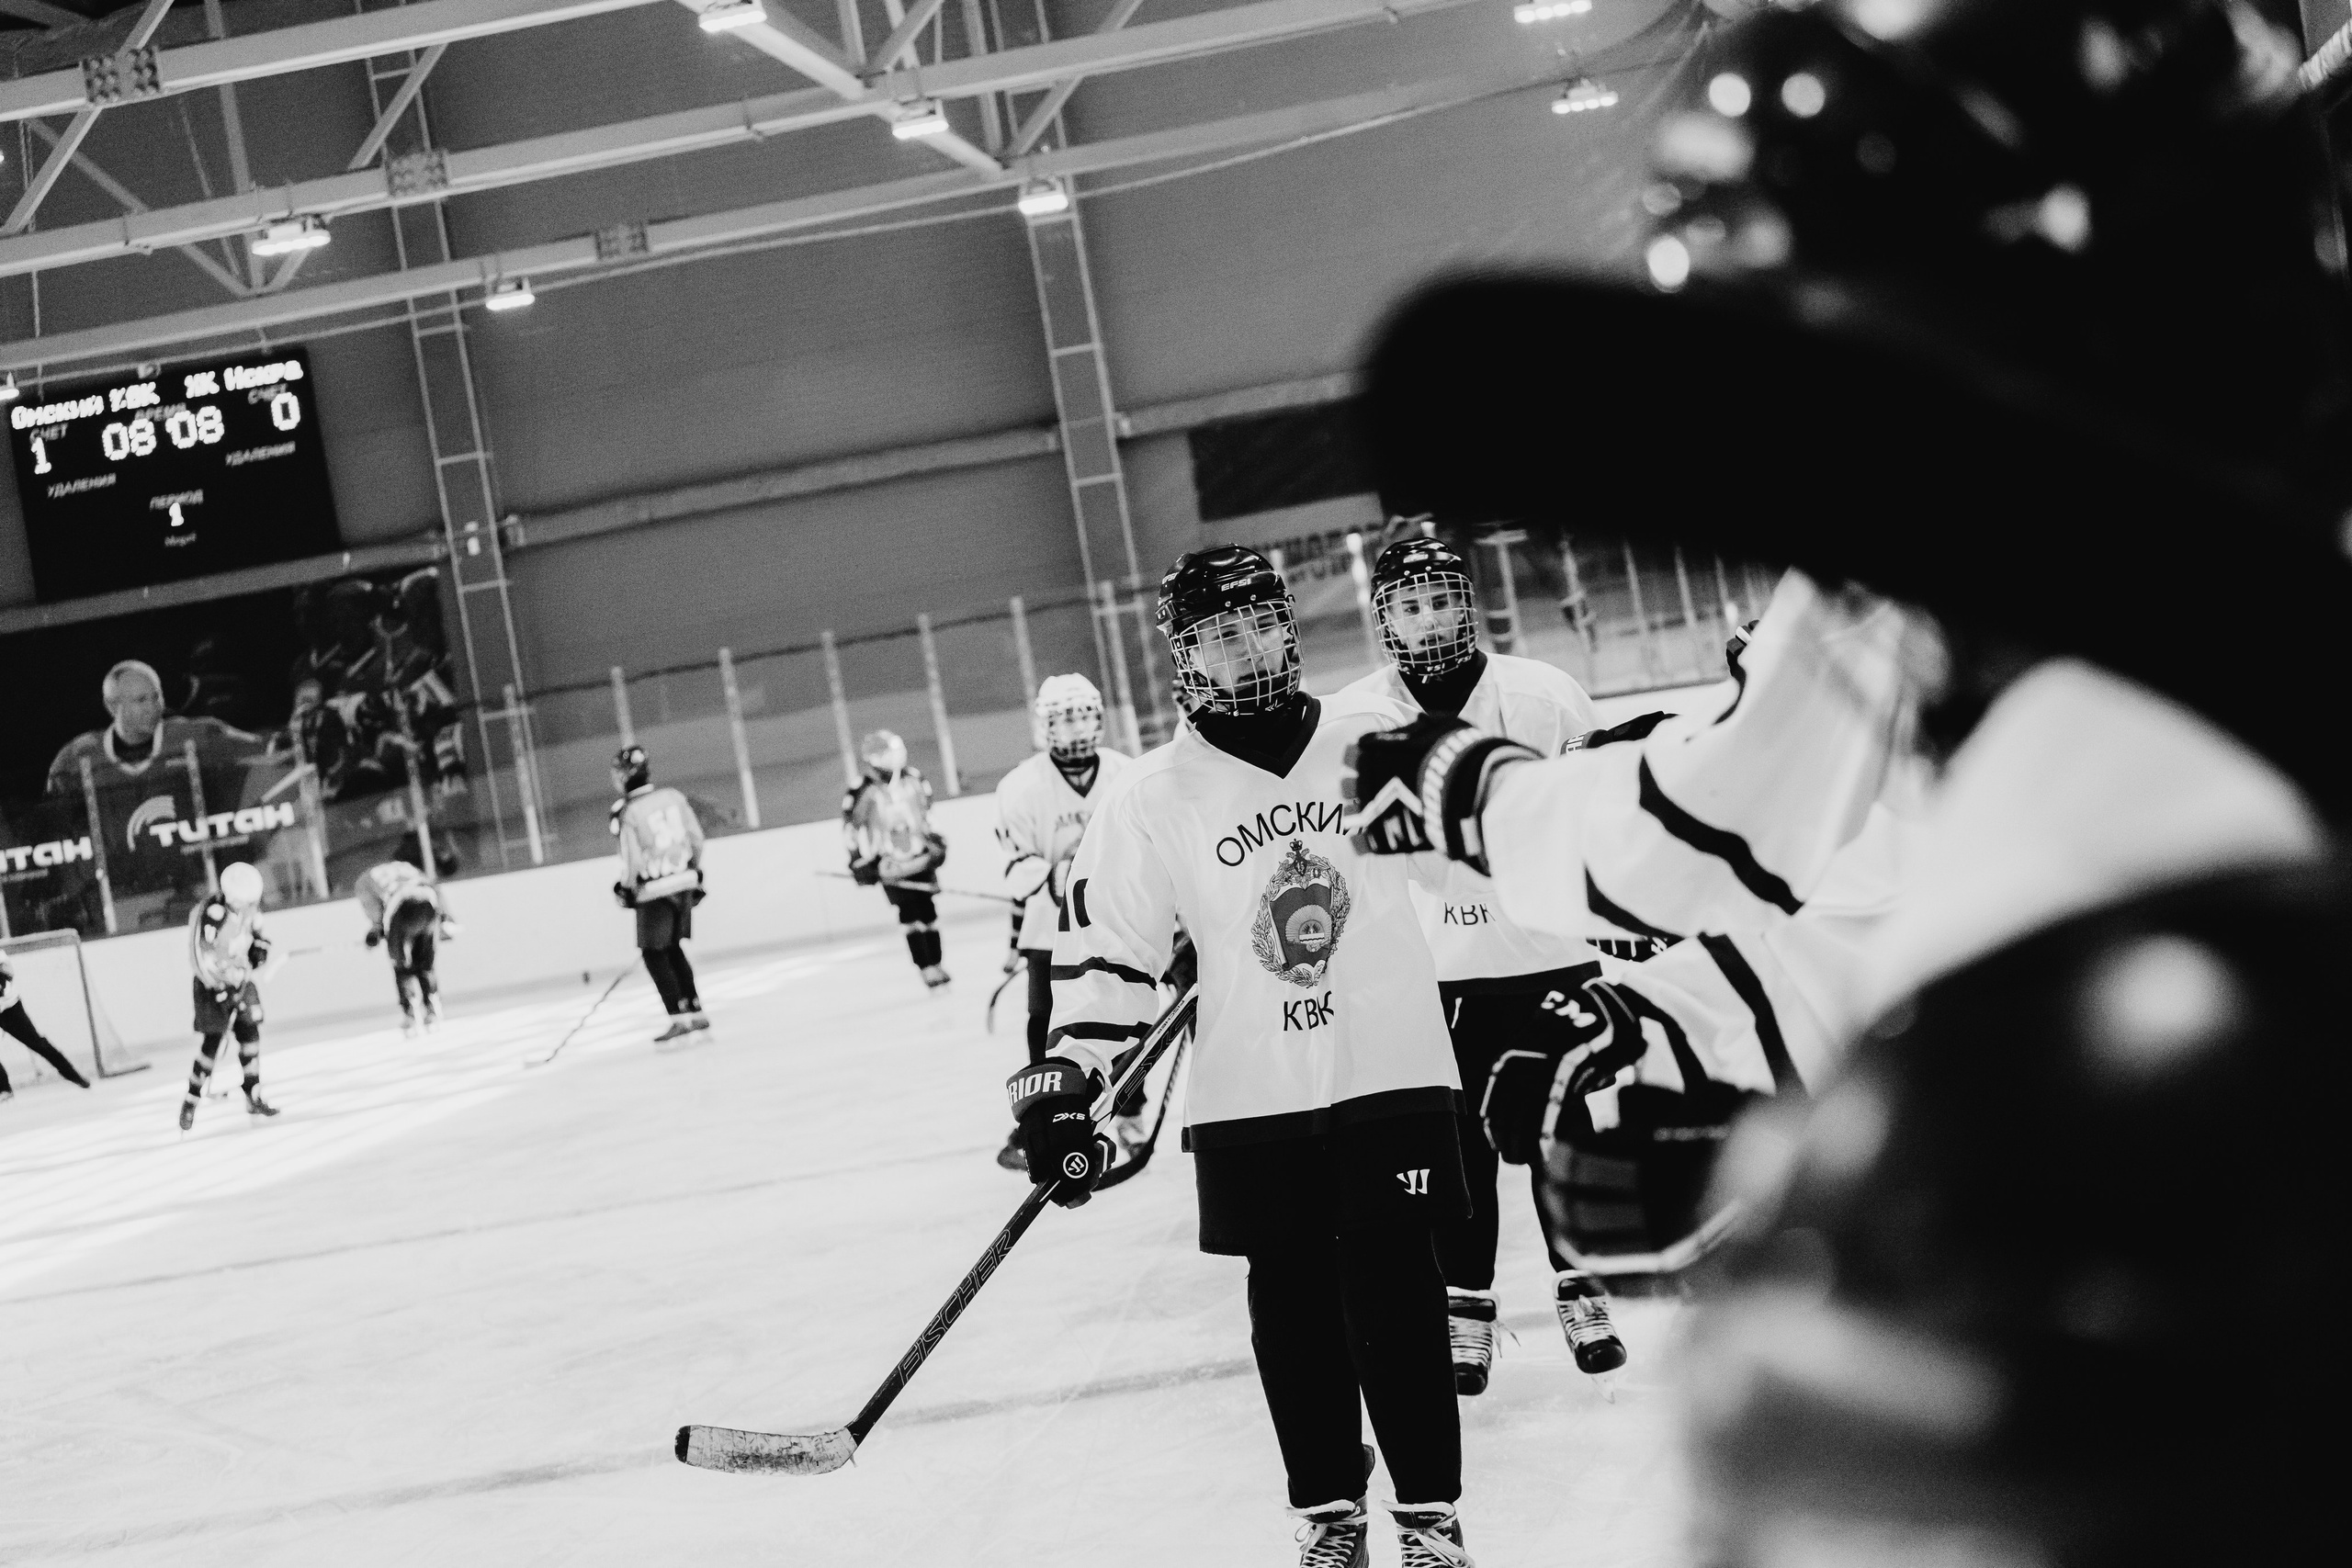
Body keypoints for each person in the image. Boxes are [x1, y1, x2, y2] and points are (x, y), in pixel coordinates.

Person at [1012, 545, 1474, 1568]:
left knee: (1398, 1297)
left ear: (1287, 625)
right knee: (1294, 1307)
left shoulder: (1373, 734)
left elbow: (1480, 858)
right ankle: (1327, 1516)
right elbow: (1113, 962)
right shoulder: (1152, 796)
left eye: (1261, 621)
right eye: (1219, 633)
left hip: (1388, 1065)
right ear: (1185, 656)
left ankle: (1432, 1520)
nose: (1247, 645)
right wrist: (1064, 1083)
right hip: (1252, 1090)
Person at [1332, 534, 1623, 1393]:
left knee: (1562, 1134)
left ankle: (1582, 1285)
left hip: (1551, 959)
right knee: (1459, 1153)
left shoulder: (1544, 694)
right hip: (1434, 975)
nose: (1429, 618)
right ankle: (1468, 1307)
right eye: (1409, 604)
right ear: (1385, 618)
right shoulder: (1354, 716)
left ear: (1469, 601)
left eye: (1441, 598)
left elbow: (1600, 803)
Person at [991, 673, 1133, 1168]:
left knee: (1125, 1016)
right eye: (1062, 718)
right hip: (1049, 933)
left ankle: (1127, 1106)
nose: (1075, 729)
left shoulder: (1126, 773)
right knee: (1045, 1024)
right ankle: (1045, 1118)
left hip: (1117, 925)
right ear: (1043, 726)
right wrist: (1058, 875)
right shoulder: (1021, 788)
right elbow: (1017, 868)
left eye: (1083, 715)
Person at [609, 745, 707, 1043]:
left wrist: (625, 888)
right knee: (674, 948)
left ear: (626, 775)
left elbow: (633, 860)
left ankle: (678, 1018)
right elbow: (697, 839)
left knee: (654, 954)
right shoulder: (674, 797)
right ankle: (695, 1011)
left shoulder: (629, 811)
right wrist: (693, 870)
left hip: (654, 890)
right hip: (683, 883)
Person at [842, 730, 950, 989]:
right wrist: (857, 860)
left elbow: (928, 813)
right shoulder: (862, 789)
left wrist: (937, 841)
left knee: (929, 913)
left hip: (920, 858)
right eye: (891, 752)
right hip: (891, 866)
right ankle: (925, 967)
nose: (898, 756)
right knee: (910, 914)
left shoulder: (914, 778)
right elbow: (851, 828)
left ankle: (937, 962)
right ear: (875, 758)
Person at [180, 861, 278, 1131]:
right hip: (212, 986)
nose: (248, 906)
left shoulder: (247, 905)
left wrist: (260, 946)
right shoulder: (211, 913)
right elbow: (198, 956)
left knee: (250, 1036)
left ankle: (253, 1094)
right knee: (212, 1043)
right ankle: (191, 1100)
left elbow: (258, 931)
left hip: (240, 981)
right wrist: (219, 989)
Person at [356, 847, 454, 1037]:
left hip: (402, 907)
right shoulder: (405, 867)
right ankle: (433, 1010)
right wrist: (445, 919)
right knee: (425, 964)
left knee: (400, 965)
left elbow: (376, 914)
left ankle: (411, 1013)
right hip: (428, 904)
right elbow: (433, 887)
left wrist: (376, 932)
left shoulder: (364, 880)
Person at [0, 953, 94, 1103]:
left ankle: (73, 1075)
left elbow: (8, 973)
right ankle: (4, 1088)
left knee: (38, 1043)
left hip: (10, 1008)